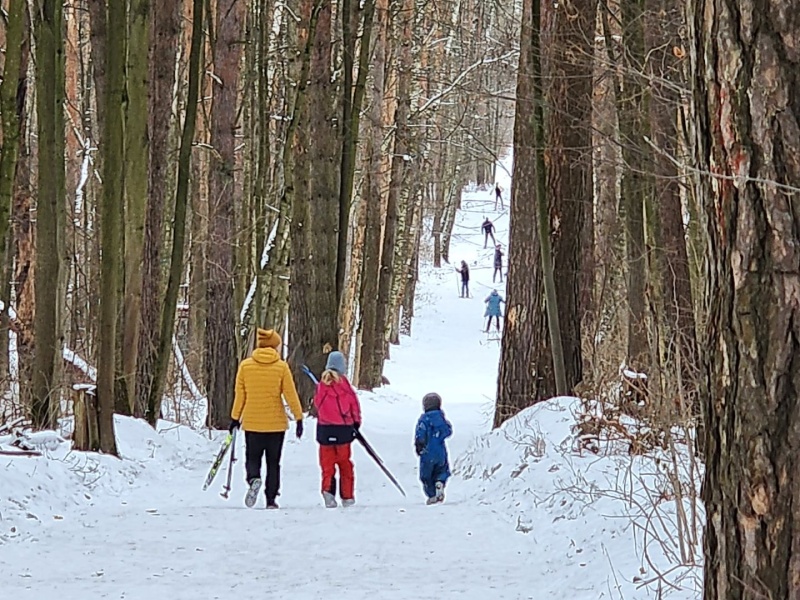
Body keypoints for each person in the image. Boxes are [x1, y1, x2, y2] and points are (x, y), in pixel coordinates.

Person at [230, 328, 303, 509]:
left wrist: (235, 418)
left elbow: (240, 395)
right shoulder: (281, 367)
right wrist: (299, 417)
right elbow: (290, 394)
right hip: (276, 424)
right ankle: (271, 499)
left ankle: (254, 478)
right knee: (273, 462)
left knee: (252, 457)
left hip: (253, 423)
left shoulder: (246, 366)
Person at [313, 351, 362, 508]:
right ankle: (347, 496)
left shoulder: (321, 386)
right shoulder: (345, 386)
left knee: (327, 465)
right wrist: (356, 422)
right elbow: (354, 405)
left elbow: (317, 405)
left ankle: (328, 492)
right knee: (345, 464)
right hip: (343, 430)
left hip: (325, 431)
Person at [414, 393, 453, 505]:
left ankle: (432, 495)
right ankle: (440, 482)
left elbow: (420, 434)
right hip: (440, 451)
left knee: (426, 475)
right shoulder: (441, 419)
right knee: (442, 470)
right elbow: (448, 431)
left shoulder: (424, 419)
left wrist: (419, 445)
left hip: (427, 452)